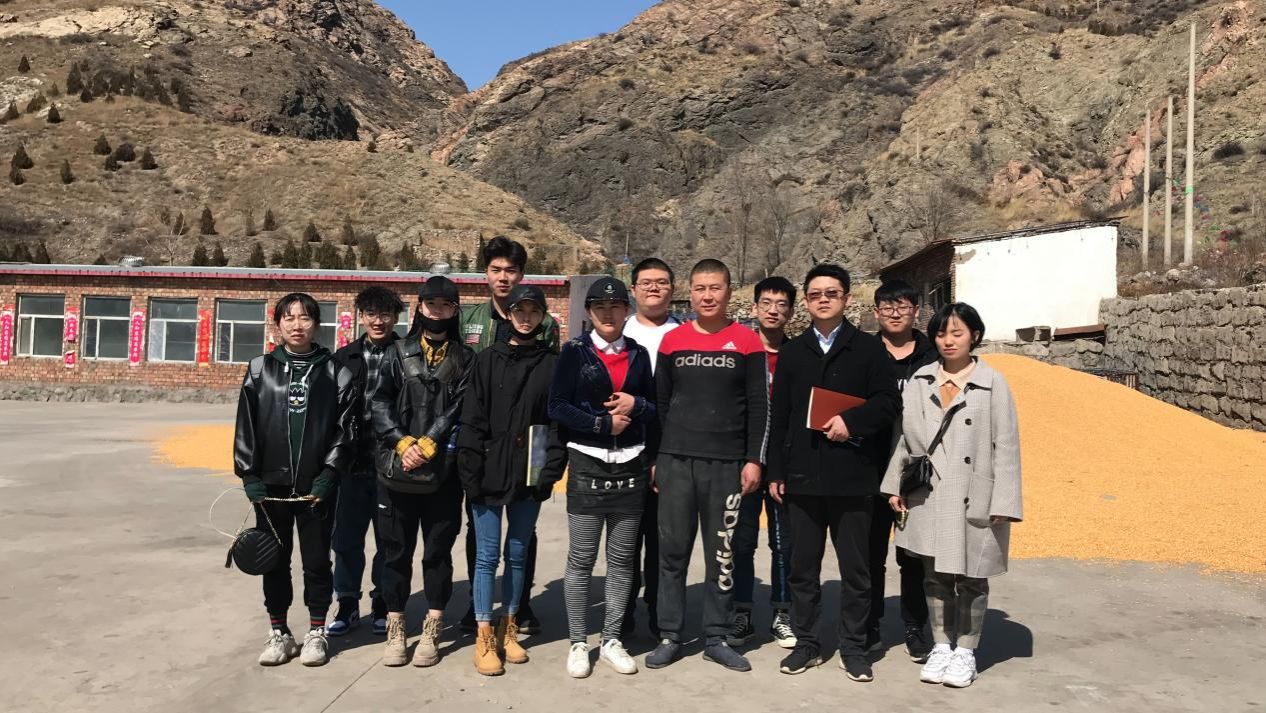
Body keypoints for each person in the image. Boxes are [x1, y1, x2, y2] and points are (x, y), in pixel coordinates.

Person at [766, 264, 900, 682]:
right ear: (806, 302)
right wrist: (776, 470)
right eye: (815, 294)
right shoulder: (793, 353)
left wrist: (851, 422)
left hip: (853, 477)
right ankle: (807, 643)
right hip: (803, 476)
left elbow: (887, 403)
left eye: (832, 293)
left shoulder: (868, 349)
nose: (823, 300)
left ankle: (854, 647)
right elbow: (781, 415)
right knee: (802, 568)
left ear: (846, 299)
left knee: (856, 570)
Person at [880, 303, 1023, 689]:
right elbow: (906, 440)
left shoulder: (993, 383)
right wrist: (895, 486)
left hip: (975, 492)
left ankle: (966, 651)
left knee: (973, 576)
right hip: (931, 492)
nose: (948, 341)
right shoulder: (921, 380)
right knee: (935, 575)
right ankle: (942, 645)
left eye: (957, 333)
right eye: (941, 333)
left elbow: (1007, 446)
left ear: (974, 335)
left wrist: (1005, 502)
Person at [645, 259, 768, 673]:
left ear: (729, 291)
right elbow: (661, 403)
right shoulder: (673, 341)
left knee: (723, 556)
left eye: (715, 288)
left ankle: (717, 637)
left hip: (726, 466)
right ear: (690, 293)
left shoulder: (747, 342)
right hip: (676, 463)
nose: (707, 296)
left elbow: (759, 407)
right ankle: (670, 635)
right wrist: (658, 458)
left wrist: (753, 459)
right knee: (672, 554)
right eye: (700, 288)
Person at [234, 293, 358, 667]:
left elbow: (346, 430)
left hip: (315, 488)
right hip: (271, 488)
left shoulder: (336, 371)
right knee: (273, 560)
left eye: (305, 318)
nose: (297, 325)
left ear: (317, 324)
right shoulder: (260, 369)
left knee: (317, 562)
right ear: (277, 324)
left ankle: (317, 631)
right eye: (288, 318)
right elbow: (246, 426)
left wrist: (329, 474)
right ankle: (280, 633)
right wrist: (249, 473)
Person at [548, 277, 657, 678]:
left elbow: (654, 407)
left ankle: (611, 639)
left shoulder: (639, 354)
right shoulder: (574, 352)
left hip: (631, 463)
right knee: (581, 558)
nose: (608, 314)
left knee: (623, 560)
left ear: (627, 310)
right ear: (589, 312)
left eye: (615, 307)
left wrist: (636, 404)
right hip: (588, 461)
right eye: (600, 307)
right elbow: (557, 406)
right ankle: (579, 641)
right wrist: (600, 424)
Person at [457, 284, 566, 677]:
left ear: (542, 317)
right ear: (509, 314)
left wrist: (550, 470)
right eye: (520, 310)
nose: (526, 318)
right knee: (487, 555)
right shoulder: (487, 360)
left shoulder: (552, 364)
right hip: (488, 468)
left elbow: (556, 423)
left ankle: (510, 627)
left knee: (518, 552)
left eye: (534, 312)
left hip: (530, 468)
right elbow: (472, 418)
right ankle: (484, 633)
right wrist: (470, 470)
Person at [370, 277, 475, 667]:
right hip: (397, 470)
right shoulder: (396, 353)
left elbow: (462, 407)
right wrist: (402, 443)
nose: (438, 312)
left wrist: (430, 442)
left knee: (437, 553)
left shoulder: (466, 358)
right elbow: (379, 403)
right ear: (420, 308)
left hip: (443, 475)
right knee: (395, 553)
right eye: (431, 305)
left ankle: (433, 626)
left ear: (455, 311)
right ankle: (396, 625)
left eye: (446, 305)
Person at [866, 279, 938, 661]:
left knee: (913, 554)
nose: (895, 313)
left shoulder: (932, 355)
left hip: (916, 470)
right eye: (887, 307)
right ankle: (870, 623)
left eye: (903, 306)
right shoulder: (863, 352)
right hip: (870, 466)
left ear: (916, 311)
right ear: (876, 312)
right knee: (870, 552)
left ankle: (914, 625)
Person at [328, 287, 403, 638]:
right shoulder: (343, 358)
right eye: (371, 313)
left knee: (389, 540)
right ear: (360, 316)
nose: (378, 321)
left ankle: (382, 602)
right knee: (346, 539)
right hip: (352, 465)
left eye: (386, 313)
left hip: (390, 464)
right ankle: (346, 603)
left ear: (396, 317)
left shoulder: (407, 355)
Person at [728, 276, 796, 650]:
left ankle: (782, 613)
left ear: (791, 311)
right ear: (754, 308)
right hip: (745, 461)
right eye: (766, 303)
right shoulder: (741, 351)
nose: (773, 310)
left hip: (783, 464)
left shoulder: (798, 354)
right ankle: (742, 611)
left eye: (781, 304)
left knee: (783, 543)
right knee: (742, 541)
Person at [619, 257, 679, 639]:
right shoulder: (618, 332)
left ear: (673, 289)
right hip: (622, 452)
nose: (654, 288)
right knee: (624, 540)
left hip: (667, 452)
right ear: (634, 289)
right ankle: (621, 613)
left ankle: (660, 613)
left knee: (662, 541)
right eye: (646, 282)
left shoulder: (684, 336)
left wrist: (662, 456)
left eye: (661, 282)